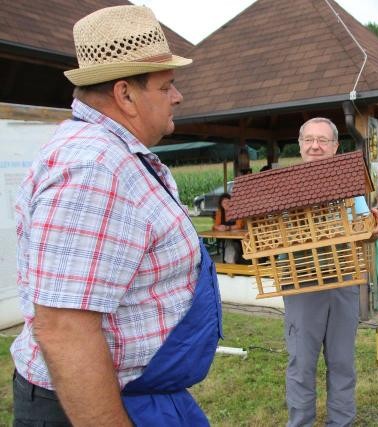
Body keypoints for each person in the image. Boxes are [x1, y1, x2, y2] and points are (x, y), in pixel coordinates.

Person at [11, 6, 222, 426]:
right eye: (167, 86)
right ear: (125, 94)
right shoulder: (94, 167)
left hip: (133, 395)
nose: (178, 97)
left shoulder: (114, 156)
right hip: (90, 405)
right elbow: (64, 329)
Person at [284, 117, 378, 427]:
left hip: (345, 282)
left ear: (335, 147)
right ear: (300, 145)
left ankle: (340, 423)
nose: (316, 146)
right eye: (309, 140)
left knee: (342, 362)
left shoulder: (350, 186)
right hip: (301, 283)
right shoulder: (284, 186)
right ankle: (300, 422)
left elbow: (366, 225)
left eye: (323, 140)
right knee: (301, 364)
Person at [214, 193, 246, 263]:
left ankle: (231, 262)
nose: (226, 204)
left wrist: (228, 228)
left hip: (239, 236)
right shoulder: (219, 212)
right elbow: (215, 225)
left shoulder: (237, 211)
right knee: (229, 242)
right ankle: (231, 262)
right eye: (224, 202)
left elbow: (239, 225)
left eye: (228, 202)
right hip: (226, 236)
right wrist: (219, 228)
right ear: (221, 204)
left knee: (232, 243)